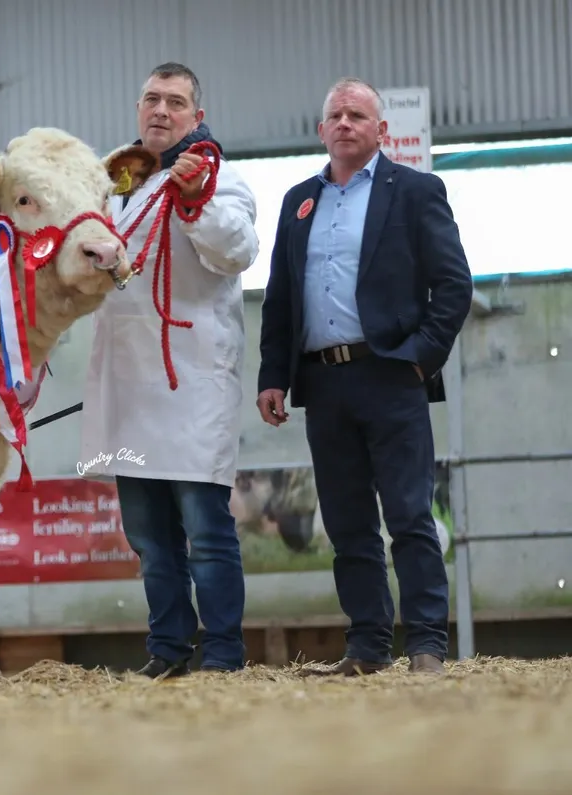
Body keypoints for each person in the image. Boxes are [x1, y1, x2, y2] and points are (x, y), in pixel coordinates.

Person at [256, 77, 473, 676]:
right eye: (336, 115)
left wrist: (419, 357)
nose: (346, 123)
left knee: (408, 516)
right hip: (323, 383)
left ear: (382, 131)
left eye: (358, 114)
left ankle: (427, 643)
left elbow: (454, 286)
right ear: (321, 131)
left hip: (391, 376)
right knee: (348, 523)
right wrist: (273, 375)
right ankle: (367, 646)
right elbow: (280, 297)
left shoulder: (416, 191)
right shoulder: (298, 201)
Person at [79, 61, 260, 678]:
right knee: (149, 538)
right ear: (137, 109)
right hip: (129, 388)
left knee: (206, 534)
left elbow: (236, 250)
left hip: (191, 386)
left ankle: (225, 657)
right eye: (152, 99)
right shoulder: (113, 187)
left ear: (196, 117)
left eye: (175, 102)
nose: (161, 110)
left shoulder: (219, 180)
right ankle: (167, 651)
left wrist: (195, 200)